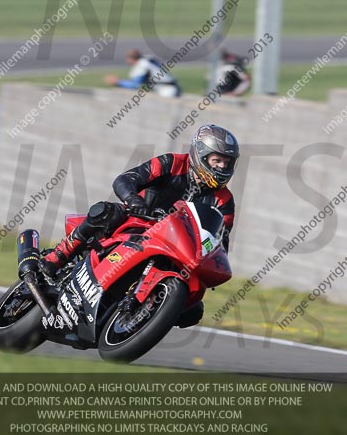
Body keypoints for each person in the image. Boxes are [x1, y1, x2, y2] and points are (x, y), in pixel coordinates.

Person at [40, 124, 240, 328]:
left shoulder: (224, 200)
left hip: (178, 250)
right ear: (201, 155)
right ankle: (57, 256)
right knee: (106, 212)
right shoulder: (172, 163)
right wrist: (133, 200)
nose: (222, 168)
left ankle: (144, 316)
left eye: (226, 162)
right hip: (140, 223)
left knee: (193, 310)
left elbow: (219, 241)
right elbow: (126, 179)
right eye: (217, 161)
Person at [105, 49, 181, 98]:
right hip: (171, 88)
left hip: (167, 91)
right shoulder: (147, 59)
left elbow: (135, 85)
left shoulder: (141, 64)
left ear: (131, 59)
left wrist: (118, 82)